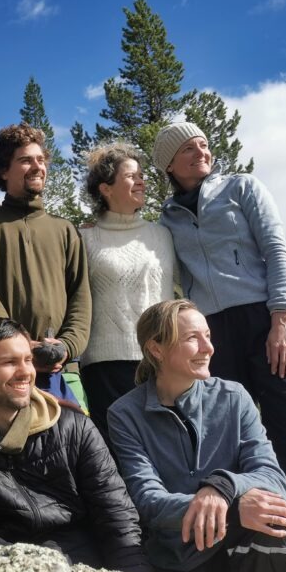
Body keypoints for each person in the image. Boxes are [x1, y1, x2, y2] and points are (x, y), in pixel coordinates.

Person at [153, 122, 286, 572]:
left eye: (203, 142)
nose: (200, 149)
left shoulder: (242, 188)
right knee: (231, 450)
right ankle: (253, 567)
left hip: (269, 320)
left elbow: (277, 249)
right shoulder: (167, 221)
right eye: (187, 146)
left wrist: (282, 318)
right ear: (168, 163)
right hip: (215, 334)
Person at [0, 317, 152, 572]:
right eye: (9, 362)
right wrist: (26, 568)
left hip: (81, 565)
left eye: (28, 360)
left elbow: (116, 515)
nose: (25, 372)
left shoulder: (74, 426)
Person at [108, 300, 286, 572]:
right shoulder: (125, 414)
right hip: (176, 558)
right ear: (156, 349)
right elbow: (148, 500)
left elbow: (273, 477)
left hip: (238, 548)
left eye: (208, 336)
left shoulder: (234, 397)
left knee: (277, 521)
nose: (208, 348)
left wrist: (222, 487)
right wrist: (232, 508)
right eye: (193, 338)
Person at [0, 124, 91, 405]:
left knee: (71, 444)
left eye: (40, 160)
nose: (37, 166)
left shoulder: (66, 230)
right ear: (4, 171)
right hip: (7, 372)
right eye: (25, 160)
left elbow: (80, 297)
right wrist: (20, 347)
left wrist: (66, 348)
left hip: (63, 373)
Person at [79, 142, 176, 439]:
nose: (142, 182)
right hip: (106, 365)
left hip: (163, 359)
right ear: (105, 188)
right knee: (119, 452)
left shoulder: (162, 235)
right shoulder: (83, 237)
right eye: (132, 176)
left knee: (168, 447)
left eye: (142, 175)